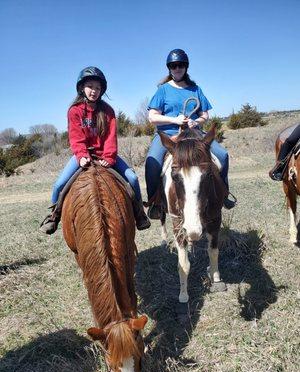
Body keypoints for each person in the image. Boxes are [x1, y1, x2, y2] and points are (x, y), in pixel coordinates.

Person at [40, 66, 150, 234]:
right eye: (90, 86)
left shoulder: (107, 111)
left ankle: (139, 214)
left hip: (105, 154)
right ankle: (53, 217)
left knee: (133, 178)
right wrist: (82, 155)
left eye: (98, 88)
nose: (94, 91)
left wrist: (109, 157)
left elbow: (110, 137)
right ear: (82, 88)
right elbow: (76, 137)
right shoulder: (74, 111)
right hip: (84, 155)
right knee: (58, 185)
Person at [145, 49, 236, 219]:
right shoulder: (163, 90)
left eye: (180, 65)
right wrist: (175, 120)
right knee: (152, 163)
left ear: (185, 67)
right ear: (169, 68)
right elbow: (152, 117)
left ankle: (224, 194)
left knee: (223, 155)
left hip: (195, 134)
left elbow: (205, 114)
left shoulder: (195, 89)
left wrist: (197, 122)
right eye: (173, 66)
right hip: (169, 134)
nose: (177, 68)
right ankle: (155, 202)